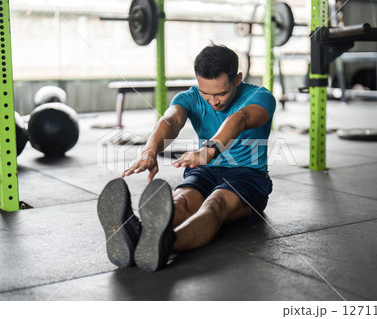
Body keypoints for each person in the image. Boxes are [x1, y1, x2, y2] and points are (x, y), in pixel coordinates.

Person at [97, 44, 276, 272]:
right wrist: (149, 152)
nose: (213, 101)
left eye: (221, 93)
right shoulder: (189, 97)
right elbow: (171, 120)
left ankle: (163, 245)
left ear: (237, 79)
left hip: (248, 176)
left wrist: (209, 150)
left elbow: (239, 119)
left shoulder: (260, 97)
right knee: (179, 201)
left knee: (214, 204)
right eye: (206, 93)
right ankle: (137, 236)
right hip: (206, 170)